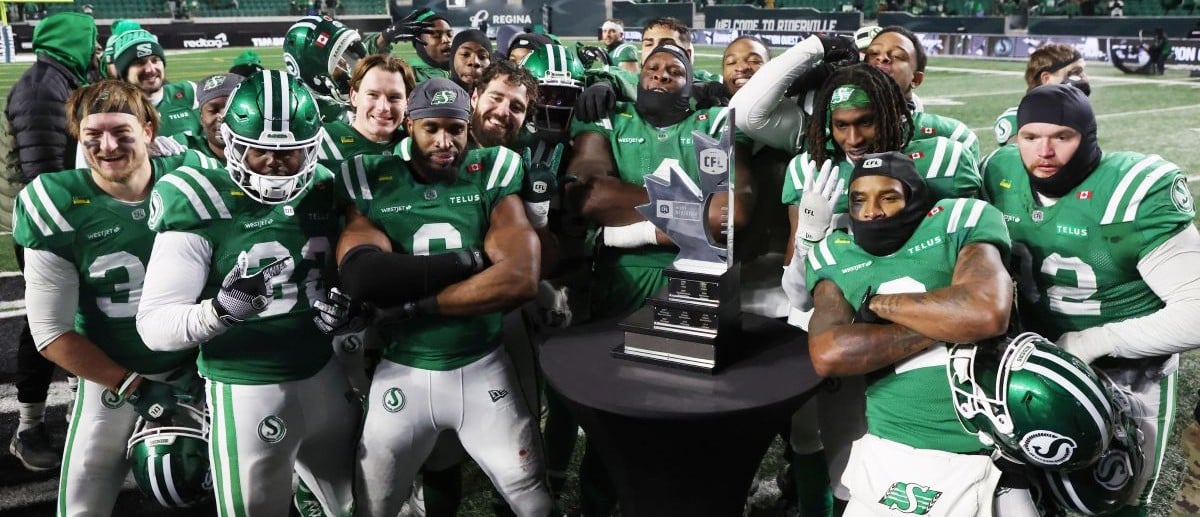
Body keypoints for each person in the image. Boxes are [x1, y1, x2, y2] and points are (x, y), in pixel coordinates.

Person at [136, 70, 357, 517]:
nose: (275, 164)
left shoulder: (327, 187)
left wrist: (350, 311)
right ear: (233, 142)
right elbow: (154, 326)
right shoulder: (198, 195)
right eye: (261, 151)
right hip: (244, 389)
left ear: (311, 150)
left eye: (290, 154)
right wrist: (220, 311)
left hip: (324, 375)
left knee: (362, 505)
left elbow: (345, 277)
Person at [335, 78, 553, 517]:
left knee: (535, 502)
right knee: (373, 507)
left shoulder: (492, 169)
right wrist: (470, 262)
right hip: (403, 373)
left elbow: (519, 278)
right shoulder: (373, 178)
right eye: (431, 128)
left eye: (454, 129)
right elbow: (363, 275)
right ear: (409, 126)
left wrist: (416, 306)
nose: (444, 141)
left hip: (483, 367)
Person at [983, 83, 1200, 516]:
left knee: (1114, 499)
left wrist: (1092, 342)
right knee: (1022, 490)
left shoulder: (1132, 192)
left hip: (1130, 374)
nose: (1044, 151)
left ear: (1087, 137)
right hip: (1033, 368)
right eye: (1030, 137)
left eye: (1062, 137)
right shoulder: (999, 174)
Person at [16, 79, 202, 517]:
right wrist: (133, 387)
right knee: (84, 497)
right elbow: (50, 332)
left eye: (121, 131)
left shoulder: (190, 179)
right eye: (93, 134)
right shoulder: (56, 203)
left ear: (149, 130)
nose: (107, 145)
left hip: (202, 366)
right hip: (115, 375)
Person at [805, 151, 1019, 515]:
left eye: (888, 197)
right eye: (859, 200)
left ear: (915, 199)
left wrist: (875, 304)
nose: (872, 211)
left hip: (988, 438)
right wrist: (946, 324)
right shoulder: (835, 252)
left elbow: (984, 313)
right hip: (893, 439)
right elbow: (828, 353)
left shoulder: (959, 221)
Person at [4, 11, 98, 472]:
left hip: (62, 219)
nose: (96, 48)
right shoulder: (43, 87)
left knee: (76, 315)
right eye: (91, 40)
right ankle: (29, 428)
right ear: (74, 40)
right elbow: (44, 175)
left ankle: (76, 410)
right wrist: (74, 223)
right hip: (47, 225)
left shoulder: (59, 79)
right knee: (45, 323)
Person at [731, 28, 978, 161]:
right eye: (871, 54)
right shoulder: (817, 118)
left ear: (917, 78)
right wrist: (818, 45)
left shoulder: (939, 133)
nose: (882, 58)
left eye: (898, 55)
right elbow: (744, 111)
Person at [316, 54, 414, 161]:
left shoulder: (417, 145)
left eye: (394, 97)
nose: (383, 107)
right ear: (354, 96)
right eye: (372, 95)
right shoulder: (320, 141)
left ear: (407, 103)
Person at [992, 43, 1090, 146]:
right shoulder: (1017, 118)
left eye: (1082, 72)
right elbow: (1021, 158)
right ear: (1046, 79)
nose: (1083, 78)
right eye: (1075, 72)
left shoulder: (1075, 116)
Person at [109, 29, 200, 139]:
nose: (150, 69)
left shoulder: (189, 92)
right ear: (124, 73)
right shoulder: (113, 110)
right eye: (139, 63)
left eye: (155, 60)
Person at [283, 15, 369, 123]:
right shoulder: (314, 116)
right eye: (336, 60)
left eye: (342, 56)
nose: (344, 63)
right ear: (314, 73)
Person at [171, 73, 243, 161]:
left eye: (231, 109)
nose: (222, 117)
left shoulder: (262, 153)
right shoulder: (185, 146)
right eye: (213, 110)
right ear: (201, 118)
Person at [393, 8, 453, 83]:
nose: (447, 40)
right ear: (419, 41)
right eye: (437, 35)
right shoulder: (408, 77)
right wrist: (382, 39)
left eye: (449, 34)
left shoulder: (461, 72)